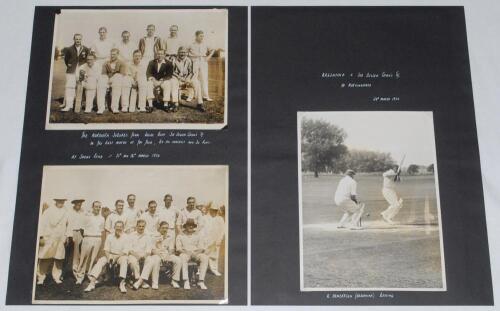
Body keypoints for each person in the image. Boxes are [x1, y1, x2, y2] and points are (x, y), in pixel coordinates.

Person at [133, 221, 183, 290]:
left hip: (167, 255)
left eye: (166, 228)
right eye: (163, 228)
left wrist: (168, 255)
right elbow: (152, 249)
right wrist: (159, 254)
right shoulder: (154, 236)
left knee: (178, 260)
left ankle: (174, 280)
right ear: (159, 228)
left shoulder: (170, 236)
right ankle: (154, 282)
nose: (165, 229)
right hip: (156, 254)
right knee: (156, 259)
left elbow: (171, 249)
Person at [84, 221, 129, 293]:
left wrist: (115, 258)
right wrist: (109, 259)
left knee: (124, 261)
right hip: (110, 255)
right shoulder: (110, 236)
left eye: (120, 227)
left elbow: (125, 251)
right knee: (101, 260)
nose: (119, 228)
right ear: (114, 227)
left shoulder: (126, 237)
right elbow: (106, 250)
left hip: (121, 256)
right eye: (117, 226)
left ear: (123, 228)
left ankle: (122, 283)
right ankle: (92, 283)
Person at [36, 199, 71, 285]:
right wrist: (41, 237)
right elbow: (42, 224)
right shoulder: (48, 211)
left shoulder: (66, 212)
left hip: (60, 237)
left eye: (62, 201)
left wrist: (66, 236)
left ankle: (57, 277)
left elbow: (69, 225)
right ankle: (41, 277)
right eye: (59, 201)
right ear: (56, 201)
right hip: (49, 237)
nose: (61, 203)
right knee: (45, 258)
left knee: (59, 258)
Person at [75, 201, 105, 284]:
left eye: (99, 207)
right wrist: (87, 236)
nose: (98, 208)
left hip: (97, 239)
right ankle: (80, 277)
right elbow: (81, 229)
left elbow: (101, 230)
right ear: (92, 207)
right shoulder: (87, 216)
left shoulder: (102, 218)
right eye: (96, 206)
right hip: (87, 238)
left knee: (93, 258)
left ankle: (90, 275)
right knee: (84, 258)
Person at [176, 219, 209, 290]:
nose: (190, 227)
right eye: (189, 225)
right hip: (185, 253)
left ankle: (201, 281)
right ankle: (186, 281)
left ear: (194, 226)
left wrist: (195, 253)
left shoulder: (198, 235)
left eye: (192, 225)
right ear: (185, 226)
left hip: (196, 253)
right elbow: (178, 249)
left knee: (205, 257)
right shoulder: (180, 235)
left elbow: (201, 248)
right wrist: (187, 252)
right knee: (182, 257)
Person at [61, 33, 89, 112]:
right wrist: (71, 66)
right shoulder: (69, 49)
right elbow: (66, 60)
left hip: (81, 70)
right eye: (76, 39)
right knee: (70, 87)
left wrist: (83, 68)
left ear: (81, 39)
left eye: (79, 39)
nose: (78, 40)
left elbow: (87, 59)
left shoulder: (85, 49)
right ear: (74, 39)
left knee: (81, 87)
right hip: (71, 71)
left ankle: (79, 104)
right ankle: (68, 105)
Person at [172, 46, 204, 112]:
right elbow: (172, 72)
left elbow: (191, 72)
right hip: (177, 78)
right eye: (181, 52)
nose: (182, 54)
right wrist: (179, 78)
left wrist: (187, 79)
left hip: (187, 78)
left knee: (197, 83)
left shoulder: (189, 60)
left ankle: (200, 103)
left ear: (186, 53)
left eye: (184, 52)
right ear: (178, 53)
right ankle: (175, 104)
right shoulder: (174, 60)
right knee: (173, 83)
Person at [98, 48, 127, 113]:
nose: (112, 56)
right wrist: (108, 81)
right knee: (101, 82)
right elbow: (103, 74)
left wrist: (112, 80)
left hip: (118, 80)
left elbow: (122, 74)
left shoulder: (121, 63)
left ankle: (114, 107)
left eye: (114, 54)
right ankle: (101, 107)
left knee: (117, 78)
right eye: (111, 54)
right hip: (108, 79)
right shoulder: (106, 63)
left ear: (118, 55)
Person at [188, 30, 215, 102]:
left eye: (203, 36)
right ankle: (191, 96)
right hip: (194, 61)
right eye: (200, 36)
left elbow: (212, 50)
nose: (202, 37)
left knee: (204, 79)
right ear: (196, 36)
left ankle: (205, 96)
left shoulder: (205, 44)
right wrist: (190, 59)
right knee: (193, 79)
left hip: (203, 61)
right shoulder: (191, 44)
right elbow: (186, 52)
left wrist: (208, 57)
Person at [127, 220, 153, 288]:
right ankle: (140, 281)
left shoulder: (148, 236)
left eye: (143, 226)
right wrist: (137, 256)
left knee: (150, 260)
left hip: (144, 255)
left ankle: (139, 282)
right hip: (133, 254)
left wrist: (144, 256)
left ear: (145, 227)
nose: (141, 228)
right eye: (139, 226)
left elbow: (148, 250)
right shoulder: (131, 235)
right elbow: (129, 249)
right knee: (133, 261)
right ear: (136, 226)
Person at [202, 205, 225, 276]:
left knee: (214, 255)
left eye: (215, 210)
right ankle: (201, 269)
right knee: (203, 254)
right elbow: (202, 229)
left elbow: (222, 230)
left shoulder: (220, 219)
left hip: (215, 239)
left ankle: (214, 269)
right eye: (212, 210)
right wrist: (203, 239)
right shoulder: (204, 218)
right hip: (206, 239)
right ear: (210, 210)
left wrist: (219, 239)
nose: (214, 211)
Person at [66, 199, 86, 278]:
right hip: (71, 233)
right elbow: (67, 224)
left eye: (80, 203)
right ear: (74, 203)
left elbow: (85, 222)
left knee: (79, 253)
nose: (79, 204)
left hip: (81, 233)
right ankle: (65, 272)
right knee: (69, 253)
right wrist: (69, 236)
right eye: (77, 203)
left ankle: (77, 270)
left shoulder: (83, 211)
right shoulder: (69, 212)